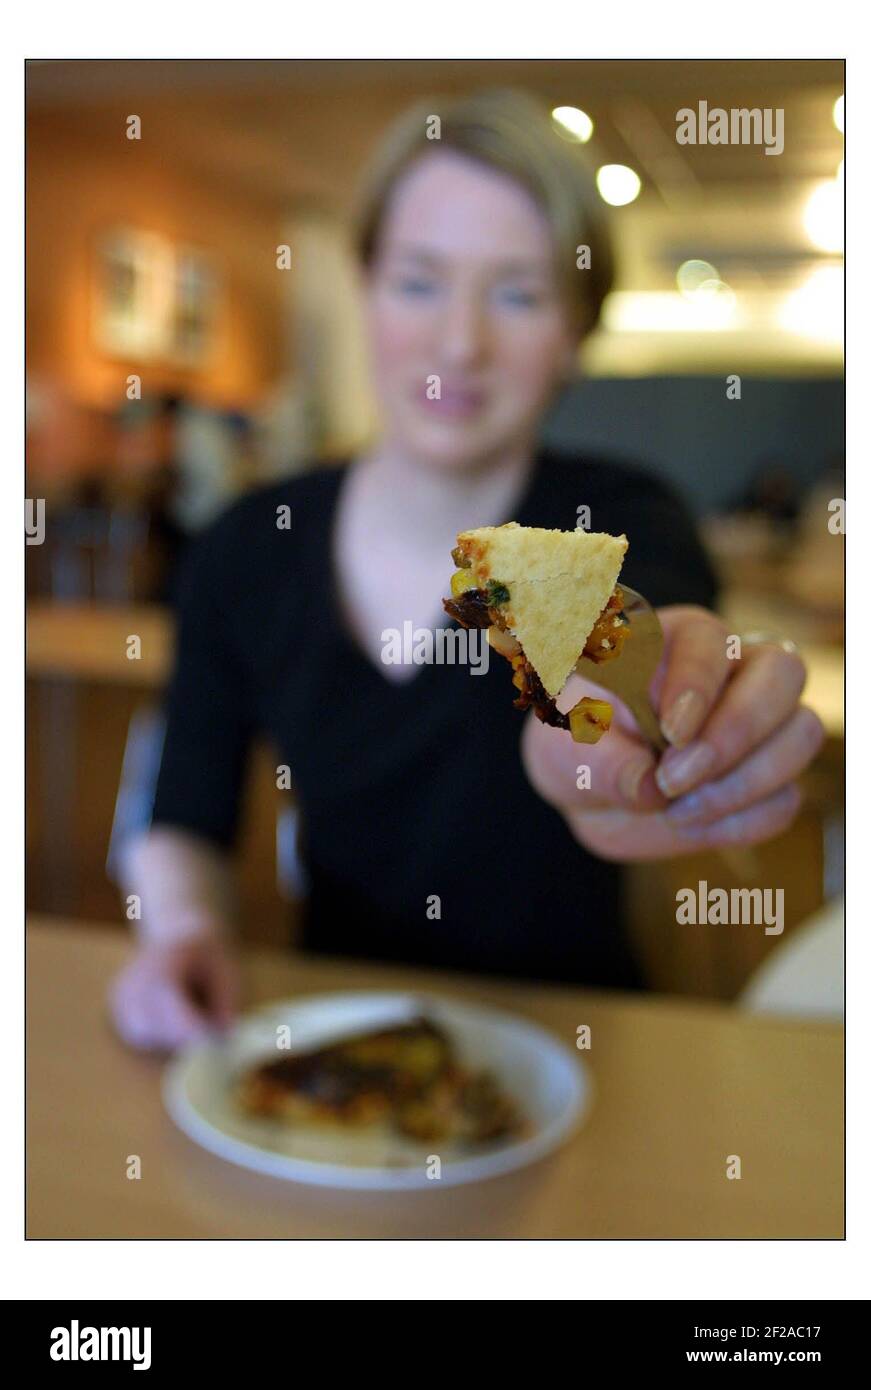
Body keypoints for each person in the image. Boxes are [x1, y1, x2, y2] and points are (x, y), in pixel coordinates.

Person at [110, 89, 823, 1051]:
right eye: (418, 281)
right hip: (344, 1033)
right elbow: (183, 810)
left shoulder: (606, 519)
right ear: (362, 287)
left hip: (582, 1047)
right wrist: (183, 933)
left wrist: (623, 739)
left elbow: (592, 694)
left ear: (576, 331)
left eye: (518, 294)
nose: (459, 343)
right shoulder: (251, 543)